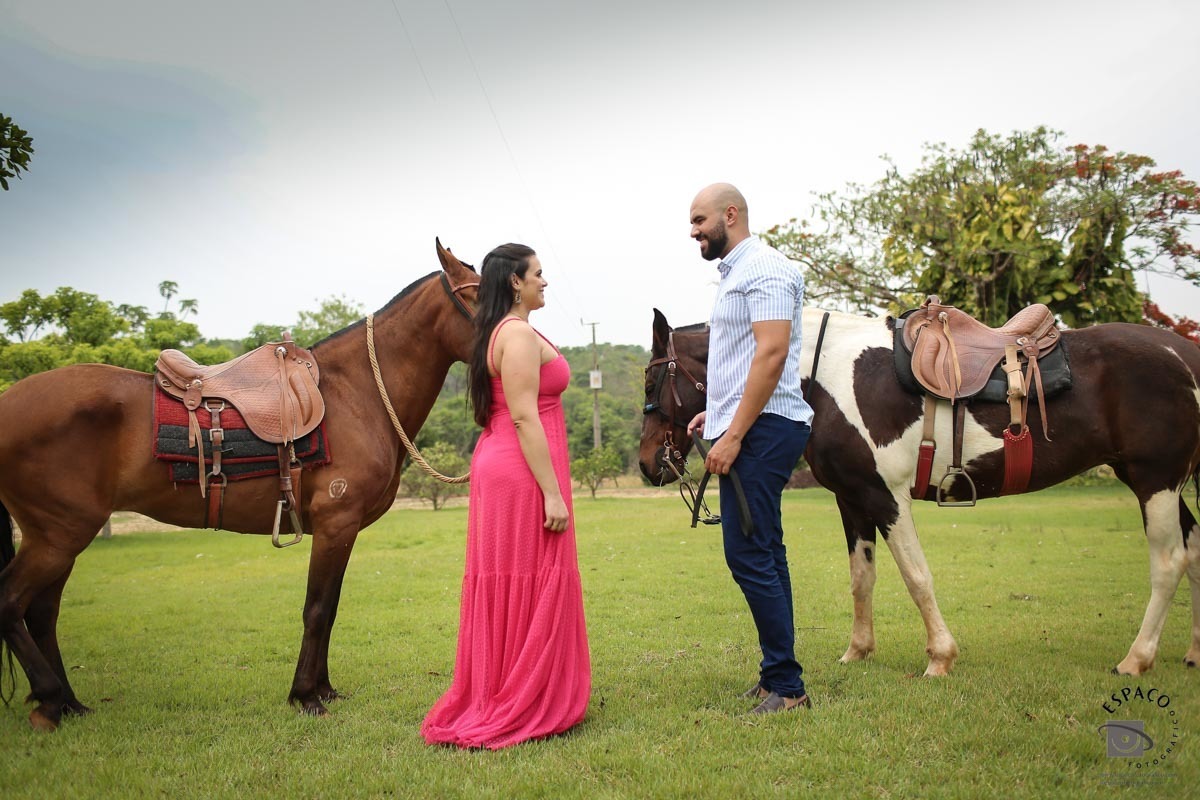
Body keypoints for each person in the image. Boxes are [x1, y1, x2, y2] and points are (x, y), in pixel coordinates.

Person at [421, 243, 590, 749]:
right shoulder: (514, 335)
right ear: (515, 282)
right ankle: (516, 695)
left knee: (523, 578)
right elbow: (521, 415)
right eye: (538, 273)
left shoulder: (507, 331)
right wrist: (553, 495)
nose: (544, 281)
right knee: (527, 577)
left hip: (514, 466)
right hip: (520, 473)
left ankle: (515, 685)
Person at [685, 183, 815, 714]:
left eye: (699, 220)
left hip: (764, 429)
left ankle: (787, 686)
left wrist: (734, 433)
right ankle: (776, 675)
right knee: (765, 548)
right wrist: (715, 415)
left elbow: (772, 353)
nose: (692, 231)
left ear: (730, 215)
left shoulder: (763, 269)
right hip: (753, 422)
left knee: (748, 554)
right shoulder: (739, 272)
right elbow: (744, 359)